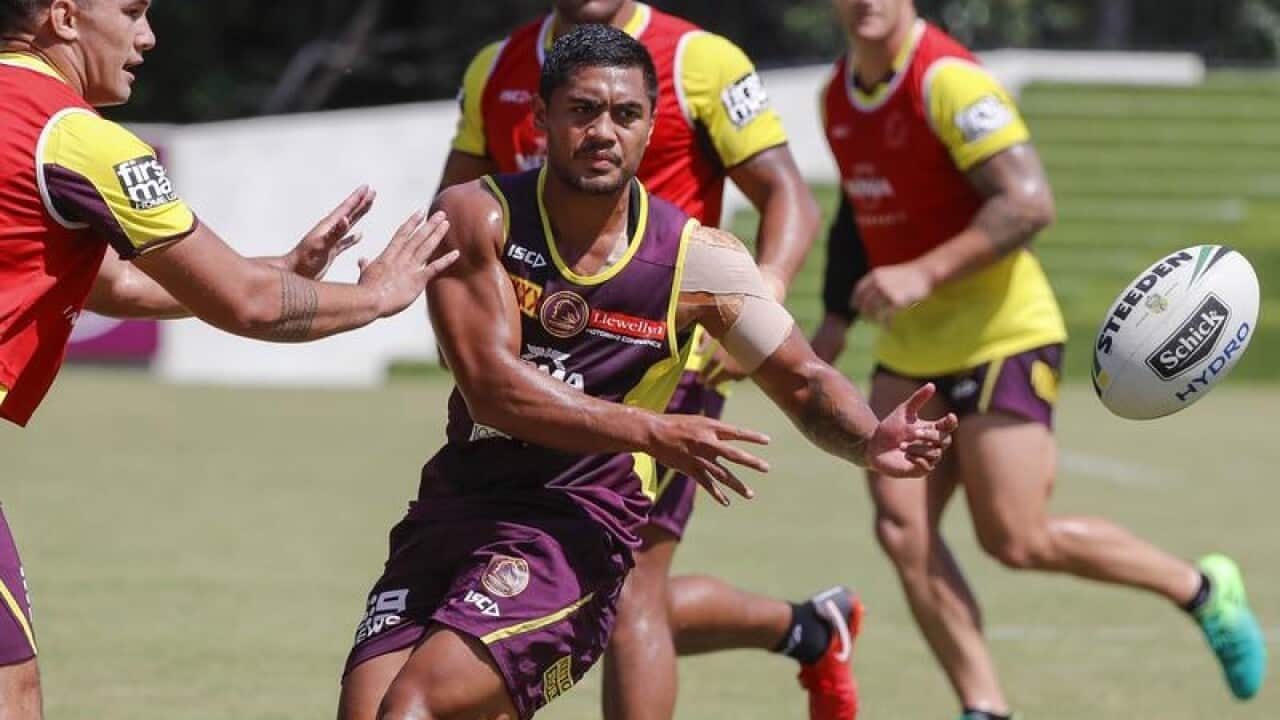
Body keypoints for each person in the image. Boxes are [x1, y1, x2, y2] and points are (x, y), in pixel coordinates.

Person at [338, 25, 957, 720]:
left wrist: (869, 439)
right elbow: (491, 387)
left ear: (650, 127)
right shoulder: (475, 216)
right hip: (455, 506)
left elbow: (805, 379)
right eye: (583, 111)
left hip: (572, 527)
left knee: (414, 708)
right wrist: (650, 430)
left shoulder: (701, 262)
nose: (604, 131)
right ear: (541, 120)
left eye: (626, 115)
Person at [811, 1, 1267, 717]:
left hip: (1004, 333)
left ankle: (1203, 590)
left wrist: (924, 272)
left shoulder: (950, 82)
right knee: (902, 527)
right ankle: (985, 707)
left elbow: (1028, 204)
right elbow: (856, 215)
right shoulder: (836, 95)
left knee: (1015, 538)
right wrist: (834, 321)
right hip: (910, 345)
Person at [0, 1, 457, 716]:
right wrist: (372, 297)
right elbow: (248, 305)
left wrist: (283, 266)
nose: (147, 36)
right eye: (131, 11)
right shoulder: (77, 139)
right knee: (10, 688)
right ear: (63, 16)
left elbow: (112, 282)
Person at [438, 3, 863, 718]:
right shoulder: (495, 67)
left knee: (629, 579)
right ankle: (808, 628)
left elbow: (790, 196)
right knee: (592, 582)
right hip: (530, 369)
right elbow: (448, 217)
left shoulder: (701, 59)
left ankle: (808, 630)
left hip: (661, 364)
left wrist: (759, 308)